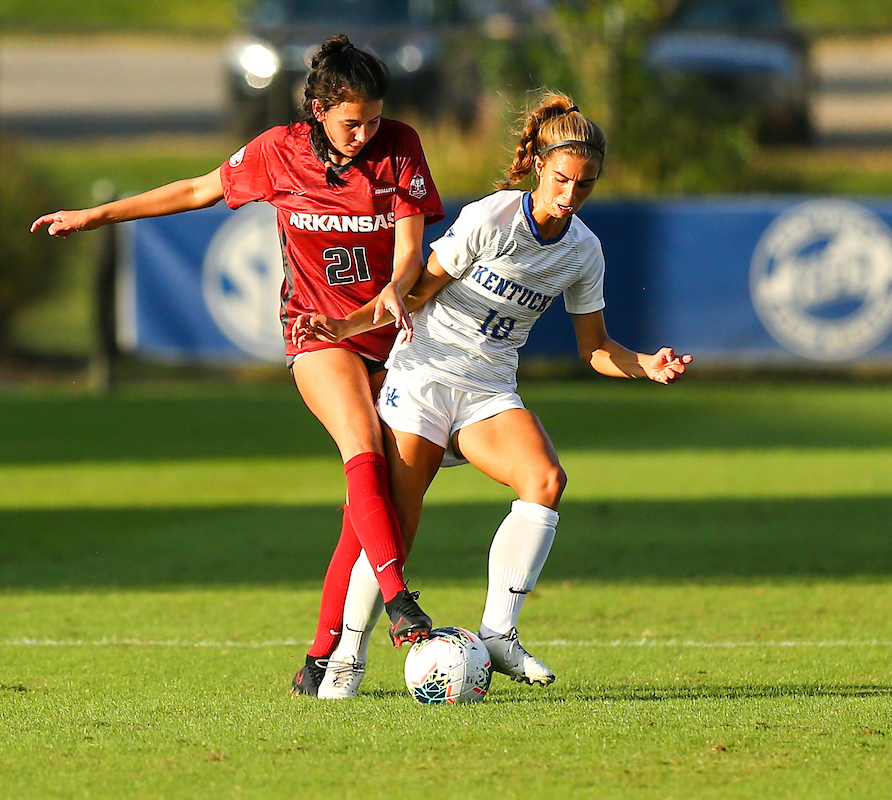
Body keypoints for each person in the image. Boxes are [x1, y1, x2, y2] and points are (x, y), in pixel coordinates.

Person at [30, 35, 445, 697]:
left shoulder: (399, 144)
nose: (365, 133)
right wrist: (97, 215)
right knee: (361, 449)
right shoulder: (278, 151)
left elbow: (410, 248)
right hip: (318, 335)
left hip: (392, 339)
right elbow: (198, 188)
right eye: (351, 122)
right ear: (317, 110)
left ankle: (320, 658)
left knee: (374, 505)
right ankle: (398, 602)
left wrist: (398, 285)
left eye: (373, 119)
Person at [292, 91, 692, 698]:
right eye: (562, 179)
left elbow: (594, 349)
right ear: (538, 165)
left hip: (487, 390)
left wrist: (645, 365)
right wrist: (345, 328)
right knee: (397, 526)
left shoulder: (584, 252)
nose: (571, 195)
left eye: (585, 185)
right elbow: (416, 291)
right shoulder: (493, 217)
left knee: (545, 480)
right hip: (424, 376)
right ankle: (348, 656)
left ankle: (499, 634)